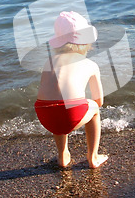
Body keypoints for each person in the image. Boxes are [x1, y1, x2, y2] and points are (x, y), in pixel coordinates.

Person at [34, 11, 108, 169]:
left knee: (57, 103)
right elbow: (99, 102)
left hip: (45, 115)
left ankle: (63, 155)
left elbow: (48, 91)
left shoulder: (49, 62)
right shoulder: (90, 64)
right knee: (94, 110)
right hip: (70, 114)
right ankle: (93, 157)